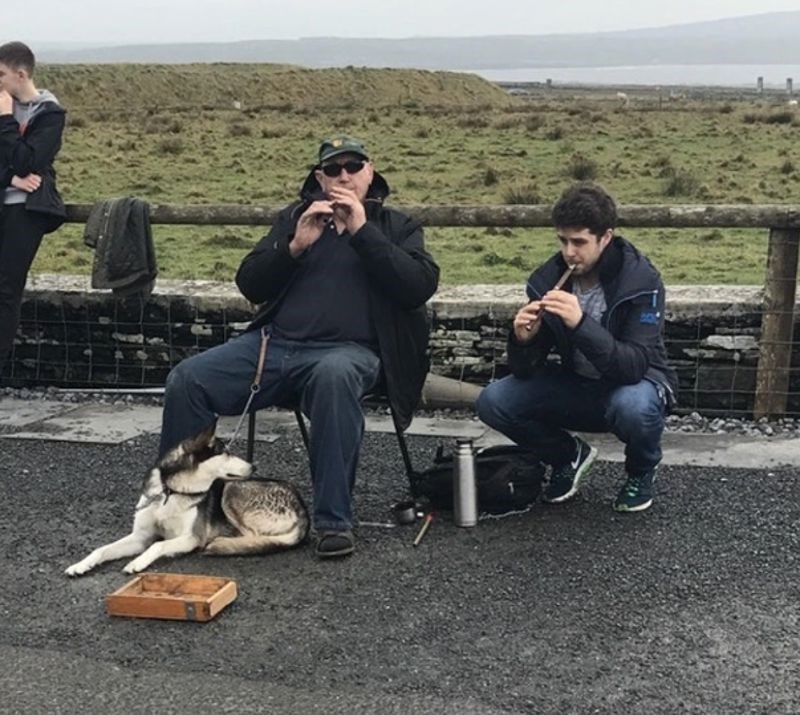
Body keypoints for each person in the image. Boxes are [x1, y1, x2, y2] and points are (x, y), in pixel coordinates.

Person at [159, 135, 440, 557]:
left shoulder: (396, 227)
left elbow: (417, 287)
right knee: (187, 379)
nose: (343, 176)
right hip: (275, 346)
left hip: (351, 352)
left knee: (334, 375)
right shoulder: (296, 217)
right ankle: (180, 510)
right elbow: (250, 283)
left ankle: (333, 522)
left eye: (353, 167)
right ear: (319, 177)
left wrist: (363, 231)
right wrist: (294, 246)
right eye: (333, 169)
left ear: (370, 171)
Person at [477, 182, 677, 512]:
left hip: (632, 386)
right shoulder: (546, 278)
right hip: (578, 385)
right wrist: (523, 340)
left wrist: (581, 324)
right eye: (563, 241)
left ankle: (641, 471)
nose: (569, 252)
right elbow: (527, 370)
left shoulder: (641, 280)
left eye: (580, 242)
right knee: (493, 401)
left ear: (606, 237)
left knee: (636, 407)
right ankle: (568, 456)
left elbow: (634, 366)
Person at [0, 41, 66, 373]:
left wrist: (4, 120)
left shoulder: (50, 114)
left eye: (1, 75)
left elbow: (28, 161)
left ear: (21, 74)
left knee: (6, 289)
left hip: (24, 212)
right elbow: (18, 170)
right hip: (9, 195)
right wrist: (10, 180)